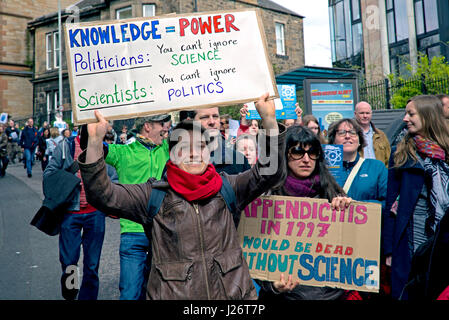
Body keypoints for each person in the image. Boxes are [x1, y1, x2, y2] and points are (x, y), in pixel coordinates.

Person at [78, 93, 286, 300]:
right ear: (173, 154)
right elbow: (102, 195)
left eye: (201, 147)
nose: (195, 154)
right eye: (185, 148)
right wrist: (95, 142)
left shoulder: (228, 187)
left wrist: (268, 120)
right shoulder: (153, 196)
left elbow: (269, 171)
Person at [256, 125, 352, 300]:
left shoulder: (332, 192)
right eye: (298, 152)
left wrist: (349, 212)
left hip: (330, 296)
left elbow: (352, 247)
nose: (306, 159)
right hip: (285, 297)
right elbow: (255, 251)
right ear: (285, 155)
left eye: (312, 152)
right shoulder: (267, 197)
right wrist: (273, 285)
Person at [383, 95, 449, 300]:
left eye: (411, 114)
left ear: (428, 116)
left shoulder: (446, 152)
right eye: (405, 113)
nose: (405, 118)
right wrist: (389, 250)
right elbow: (390, 205)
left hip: (443, 238)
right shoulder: (401, 154)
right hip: (411, 240)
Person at [105, 114, 170, 300]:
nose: (165, 128)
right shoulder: (124, 152)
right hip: (133, 233)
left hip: (162, 230)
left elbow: (192, 133)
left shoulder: (168, 148)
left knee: (160, 293)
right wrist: (93, 134)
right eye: (161, 124)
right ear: (147, 126)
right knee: (130, 294)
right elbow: (95, 150)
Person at [44, 128, 106, 300]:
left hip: (95, 214)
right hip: (70, 213)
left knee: (92, 265)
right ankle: (71, 295)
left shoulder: (103, 148)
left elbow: (112, 177)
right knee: (69, 262)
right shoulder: (65, 147)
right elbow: (49, 174)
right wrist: (69, 182)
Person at [193, 107, 251, 174]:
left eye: (215, 116)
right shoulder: (182, 163)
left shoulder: (239, 160)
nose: (212, 122)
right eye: (204, 117)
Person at [354, 101, 391, 167]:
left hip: (378, 174)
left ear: (371, 114)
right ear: (355, 114)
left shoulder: (381, 135)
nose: (365, 116)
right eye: (362, 113)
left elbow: (388, 159)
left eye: (367, 113)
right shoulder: (351, 135)